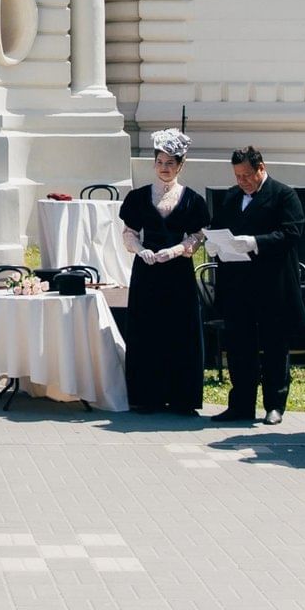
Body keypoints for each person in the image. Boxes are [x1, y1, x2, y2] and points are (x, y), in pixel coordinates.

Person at [208, 147, 304, 426]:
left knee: (274, 346)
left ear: (261, 168)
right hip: (237, 285)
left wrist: (255, 242)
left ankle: (275, 405)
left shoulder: (283, 194)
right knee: (239, 347)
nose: (243, 181)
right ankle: (240, 404)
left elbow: (292, 232)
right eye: (238, 176)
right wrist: (214, 243)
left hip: (273, 284)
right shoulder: (231, 196)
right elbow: (218, 225)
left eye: (247, 175)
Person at [117, 128, 209, 413]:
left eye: (170, 163)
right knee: (146, 331)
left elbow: (198, 236)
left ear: (181, 165)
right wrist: (139, 249)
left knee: (181, 332)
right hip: (148, 272)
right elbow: (129, 232)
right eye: (160, 162)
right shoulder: (138, 197)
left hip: (178, 274)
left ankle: (183, 398)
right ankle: (146, 396)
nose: (164, 168)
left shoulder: (192, 200)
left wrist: (177, 250)